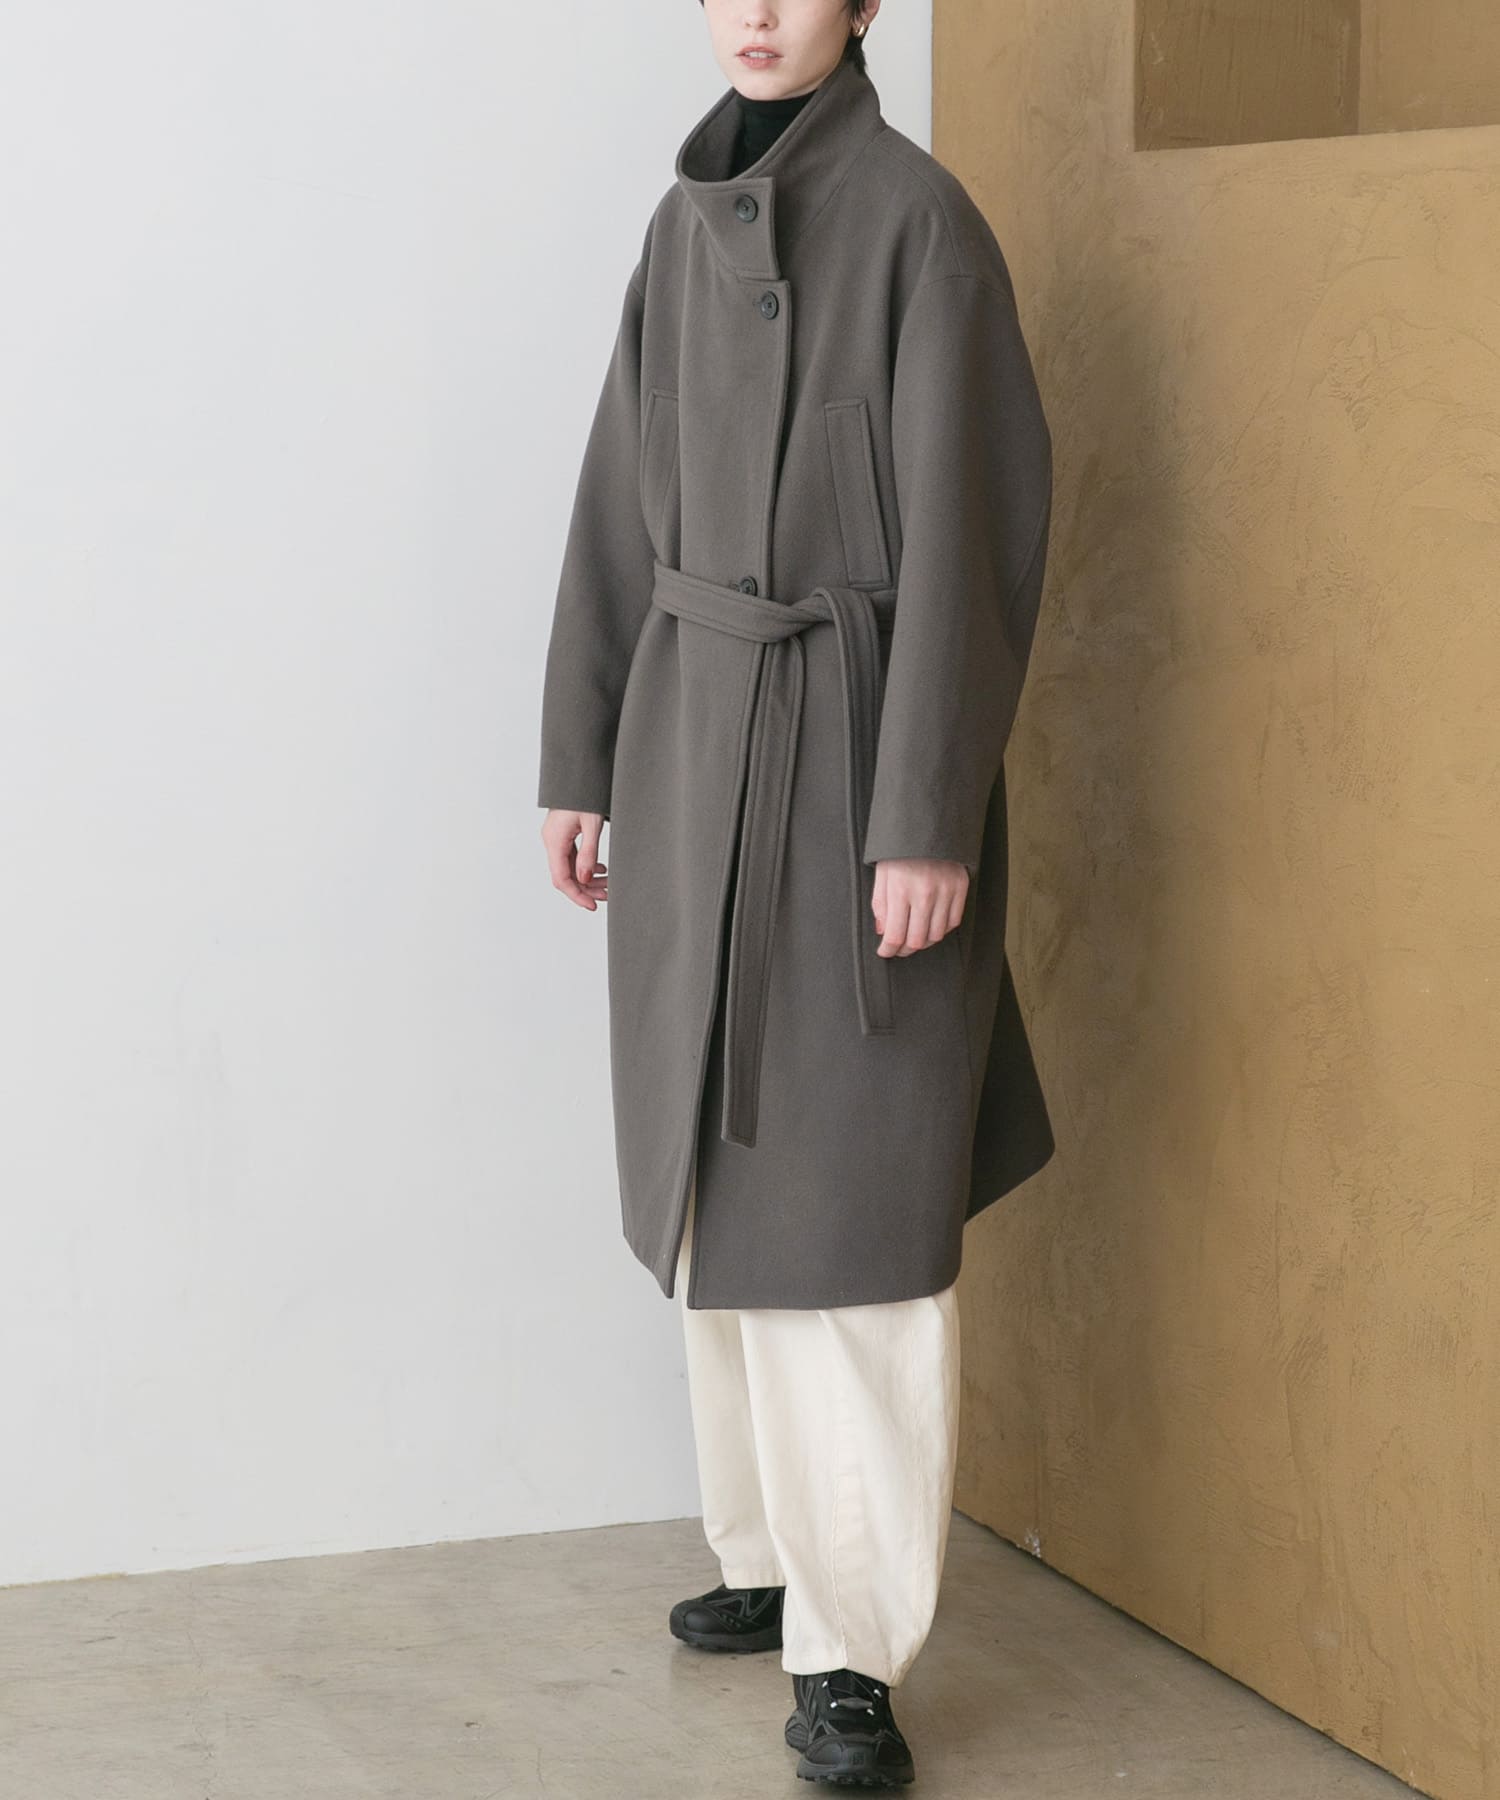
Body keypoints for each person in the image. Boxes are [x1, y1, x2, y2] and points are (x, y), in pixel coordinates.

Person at [537, 1, 1054, 1785]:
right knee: (717, 1186)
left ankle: (854, 1654)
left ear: (864, 3)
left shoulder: (923, 225)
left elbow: (975, 541)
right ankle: (766, 1557)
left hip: (850, 765)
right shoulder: (680, 229)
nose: (755, 11)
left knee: (854, 1224)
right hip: (694, 749)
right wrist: (582, 757)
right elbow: (618, 502)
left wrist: (925, 817)